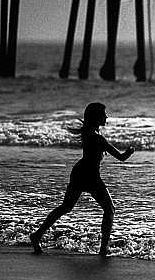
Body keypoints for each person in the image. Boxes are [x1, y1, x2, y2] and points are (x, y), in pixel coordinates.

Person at [30, 102, 135, 257]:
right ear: (96, 117)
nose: (106, 117)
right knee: (109, 209)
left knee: (65, 207)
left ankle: (38, 234)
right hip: (90, 175)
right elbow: (122, 157)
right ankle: (103, 249)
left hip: (79, 172)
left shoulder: (87, 133)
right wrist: (131, 150)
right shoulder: (98, 138)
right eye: (103, 114)